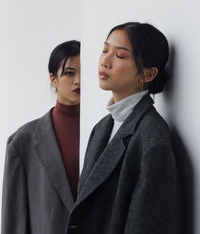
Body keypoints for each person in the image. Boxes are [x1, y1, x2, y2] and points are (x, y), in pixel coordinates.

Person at [66, 23, 183, 234]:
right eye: (104, 50)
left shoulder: (152, 139)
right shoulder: (102, 127)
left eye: (120, 56)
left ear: (148, 74)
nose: (105, 61)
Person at [1, 40, 80, 234]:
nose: (79, 80)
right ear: (53, 79)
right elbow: (13, 222)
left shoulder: (104, 130)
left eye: (83, 72)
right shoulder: (22, 141)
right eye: (70, 73)